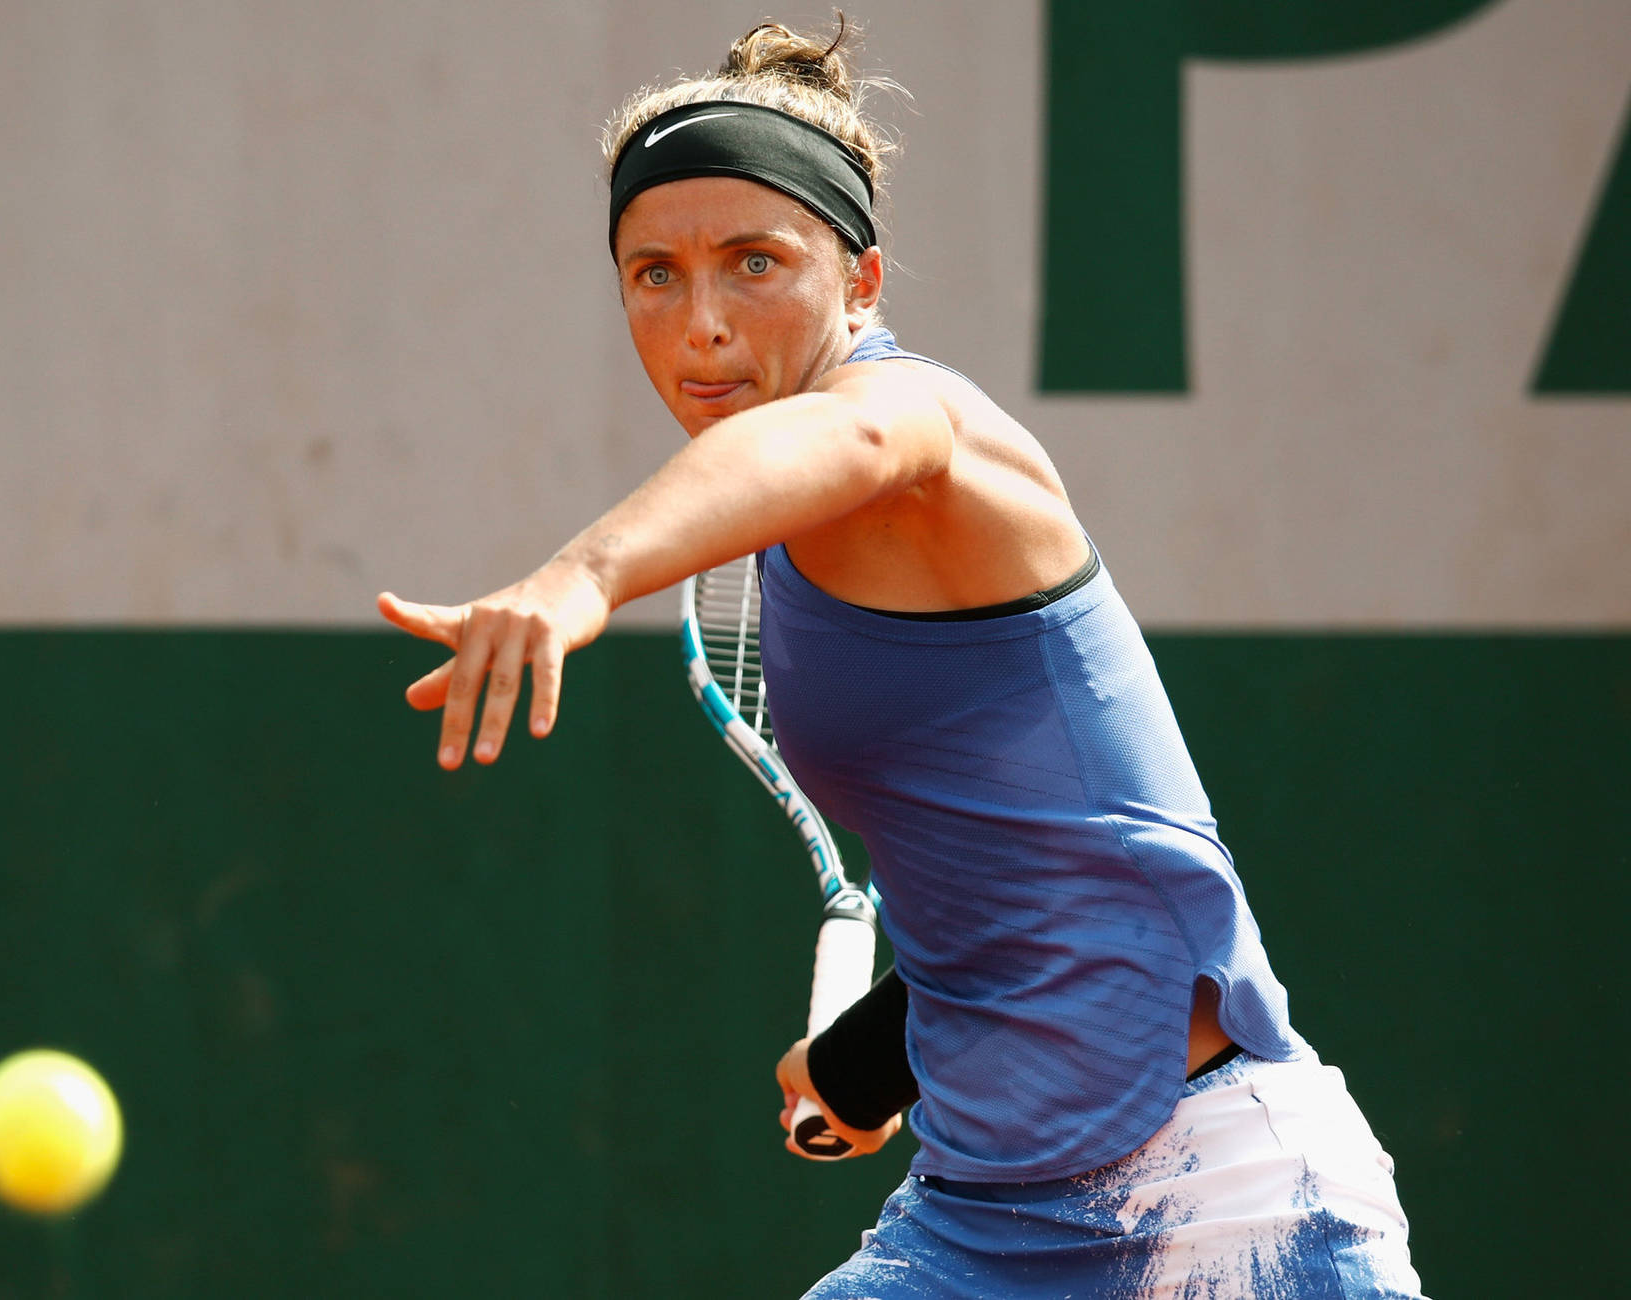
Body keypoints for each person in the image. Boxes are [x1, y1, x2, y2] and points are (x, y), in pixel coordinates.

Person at [380, 19, 1426, 1299]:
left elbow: (853, 444)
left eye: (754, 263)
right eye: (653, 276)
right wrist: (874, 1058)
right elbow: (1029, 874)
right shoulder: (791, 530)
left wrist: (580, 575)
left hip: (1225, 1206)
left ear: (861, 283)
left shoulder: (915, 422)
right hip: (980, 1222)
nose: (701, 323)